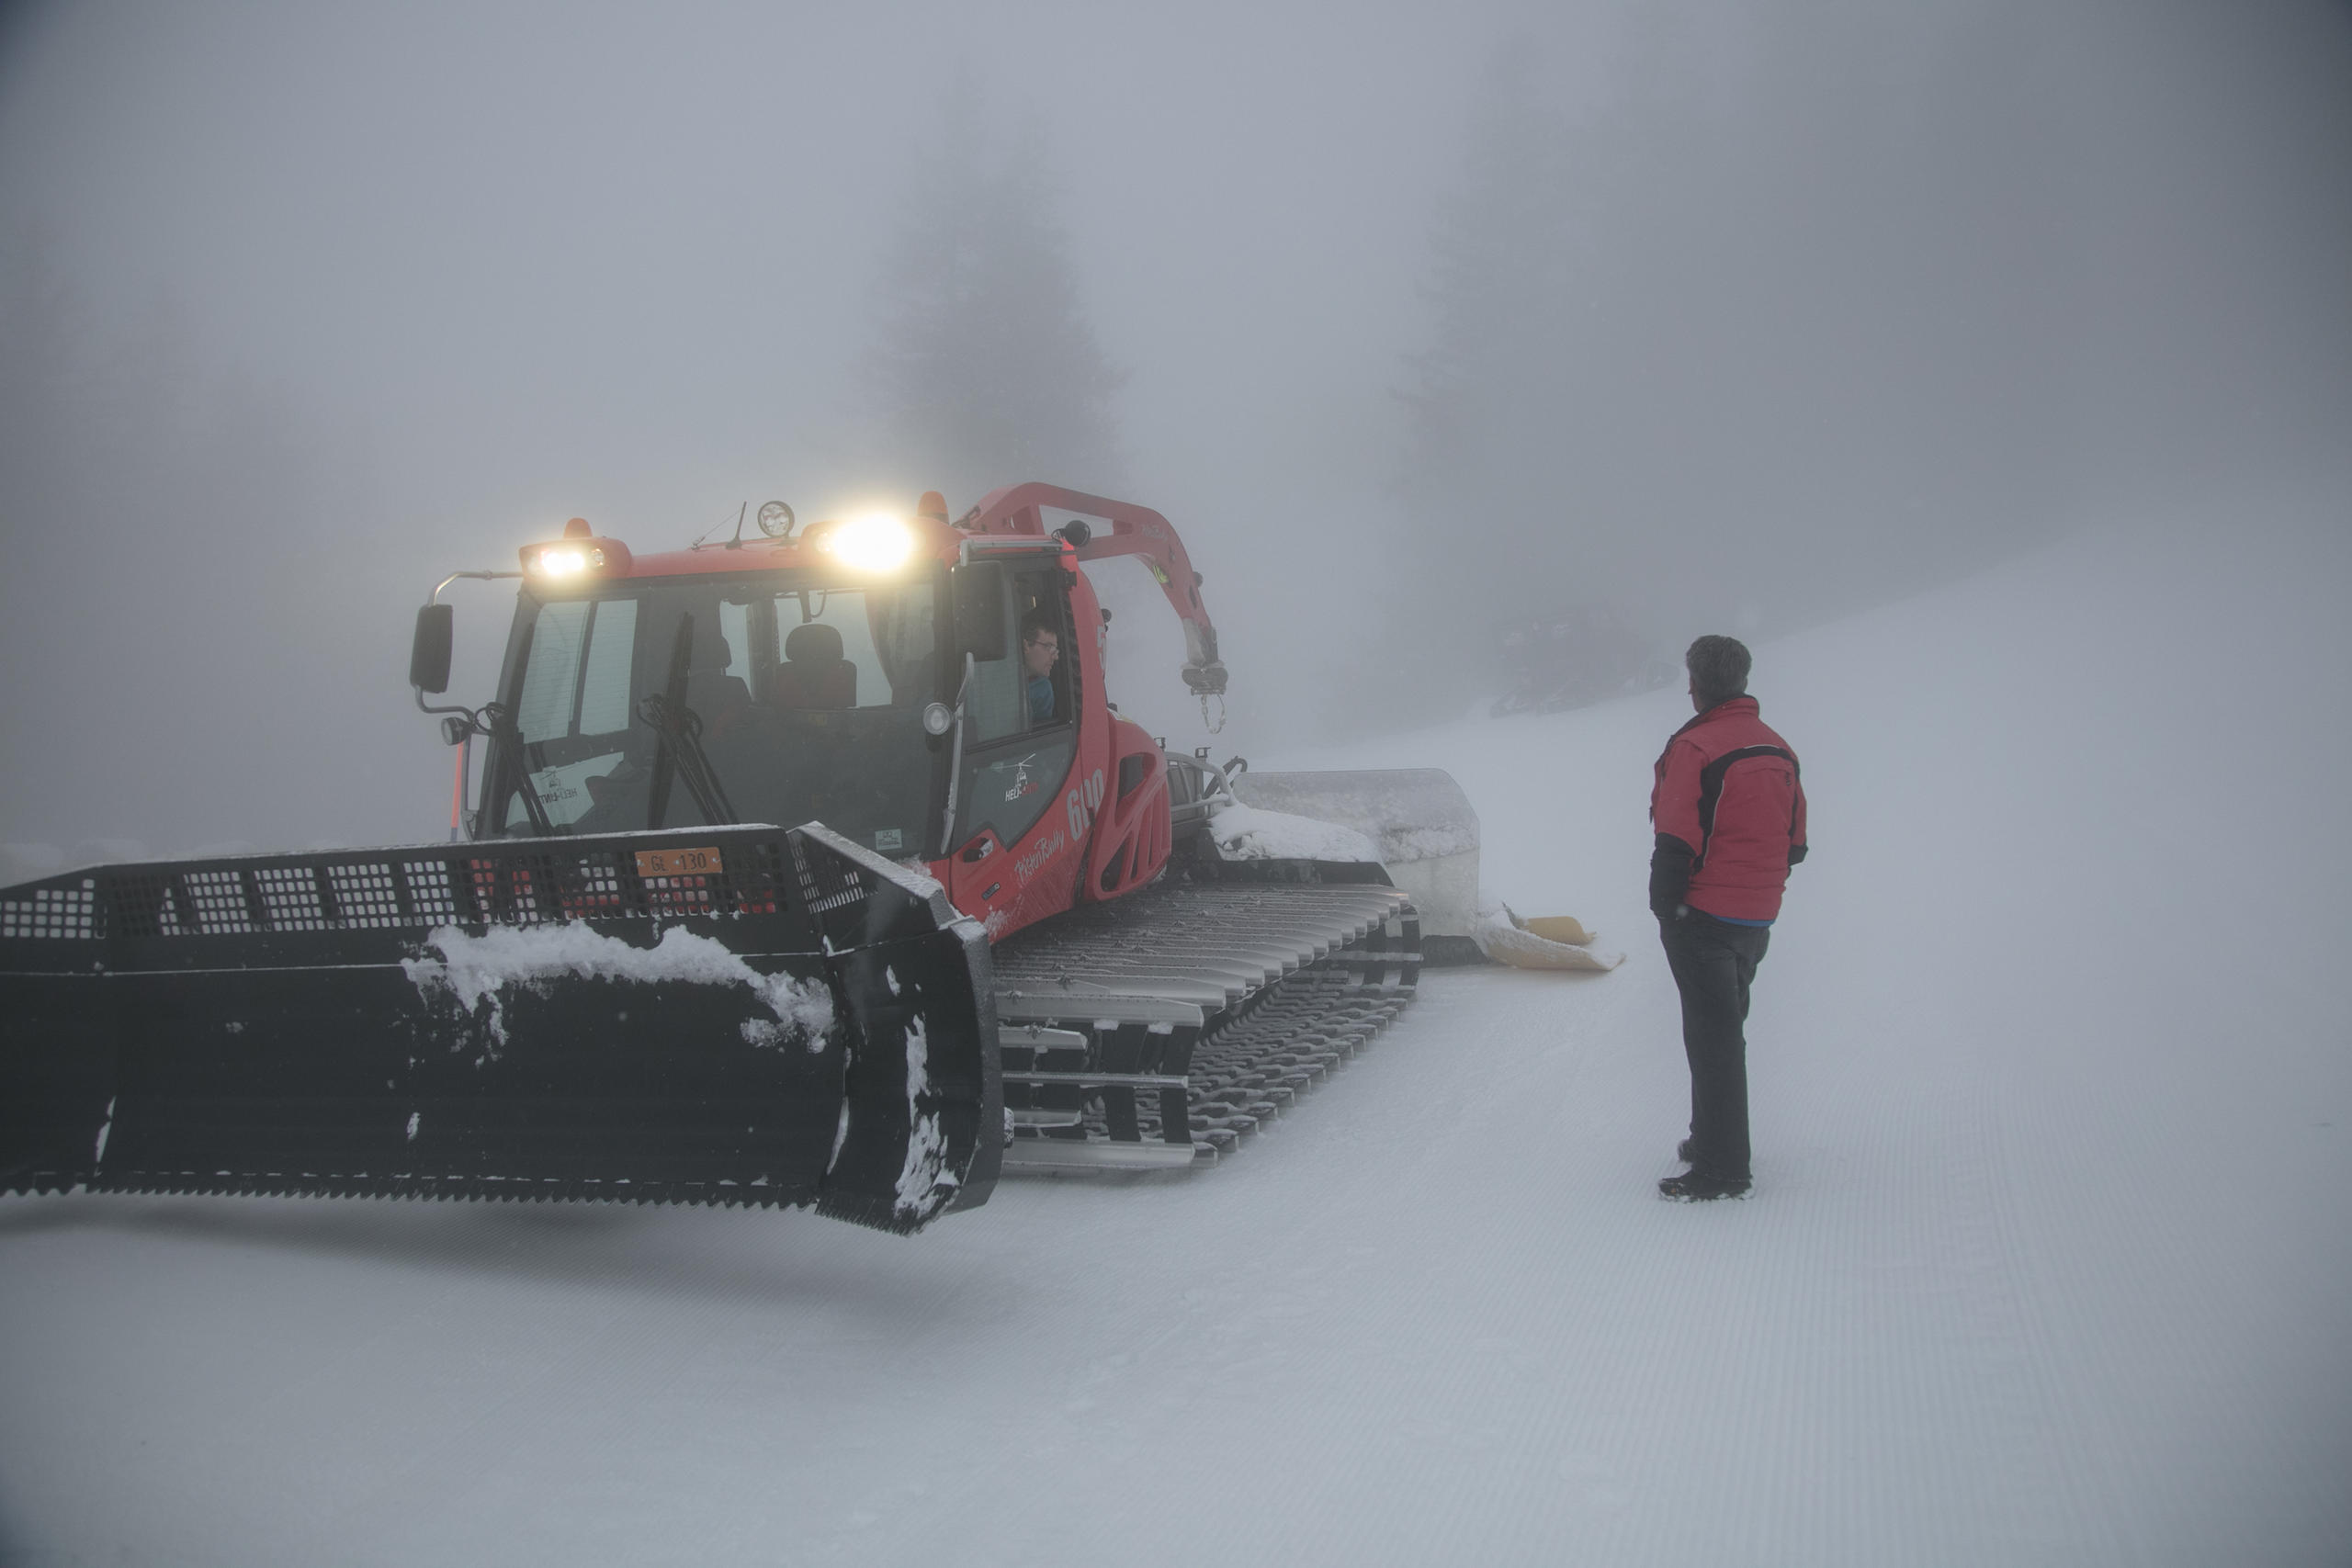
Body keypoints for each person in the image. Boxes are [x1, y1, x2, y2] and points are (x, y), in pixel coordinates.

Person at [1648, 635, 1808, 1201]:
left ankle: (1723, 1168)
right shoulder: (1776, 748)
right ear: (1740, 680)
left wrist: (1667, 906)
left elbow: (1675, 834)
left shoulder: (1697, 747)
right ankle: (1708, 1138)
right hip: (1756, 916)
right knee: (1723, 1028)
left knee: (1712, 1040)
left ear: (1695, 685)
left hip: (1704, 913)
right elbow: (1796, 842)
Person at [1020, 610, 1060, 722]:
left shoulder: (1042, 690)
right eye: (1049, 647)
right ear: (1026, 645)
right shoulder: (997, 675)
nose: (1055, 657)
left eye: (1055, 649)